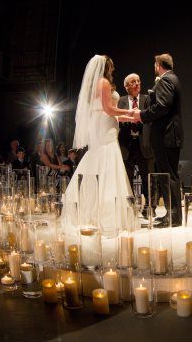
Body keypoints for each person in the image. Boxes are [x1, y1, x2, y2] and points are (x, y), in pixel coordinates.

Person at [62, 55, 137, 235]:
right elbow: (108, 109)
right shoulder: (103, 82)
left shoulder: (98, 83)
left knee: (101, 160)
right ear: (106, 67)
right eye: (111, 67)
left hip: (104, 123)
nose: (113, 70)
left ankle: (96, 210)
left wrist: (132, 116)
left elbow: (111, 113)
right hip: (104, 127)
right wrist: (129, 111)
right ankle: (105, 215)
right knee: (106, 160)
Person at [133, 53, 183, 227]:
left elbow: (162, 106)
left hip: (166, 136)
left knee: (168, 176)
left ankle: (174, 217)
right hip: (169, 136)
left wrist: (142, 115)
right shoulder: (172, 79)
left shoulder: (166, 80)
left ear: (159, 65)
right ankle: (172, 214)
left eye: (155, 64)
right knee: (168, 176)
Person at [118, 73, 154, 197]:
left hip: (144, 144)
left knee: (147, 178)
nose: (137, 84)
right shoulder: (120, 101)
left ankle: (150, 208)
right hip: (126, 144)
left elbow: (151, 118)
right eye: (133, 82)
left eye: (138, 81)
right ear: (126, 86)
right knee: (127, 178)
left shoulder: (147, 99)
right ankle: (130, 208)